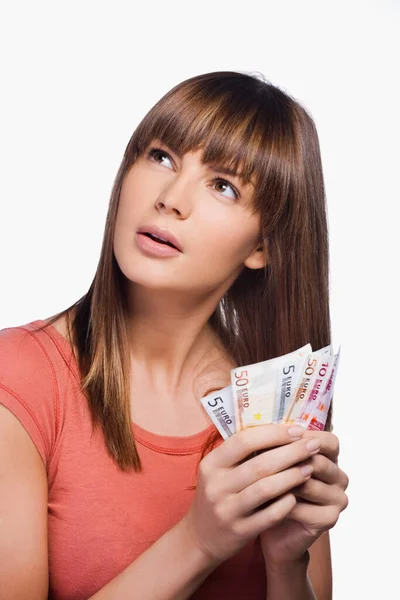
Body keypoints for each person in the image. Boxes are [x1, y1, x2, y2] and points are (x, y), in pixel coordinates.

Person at [0, 70, 349, 600]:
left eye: (223, 186)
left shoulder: (274, 412)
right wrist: (197, 541)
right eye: (162, 156)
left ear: (263, 246)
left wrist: (286, 561)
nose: (171, 197)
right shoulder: (21, 379)